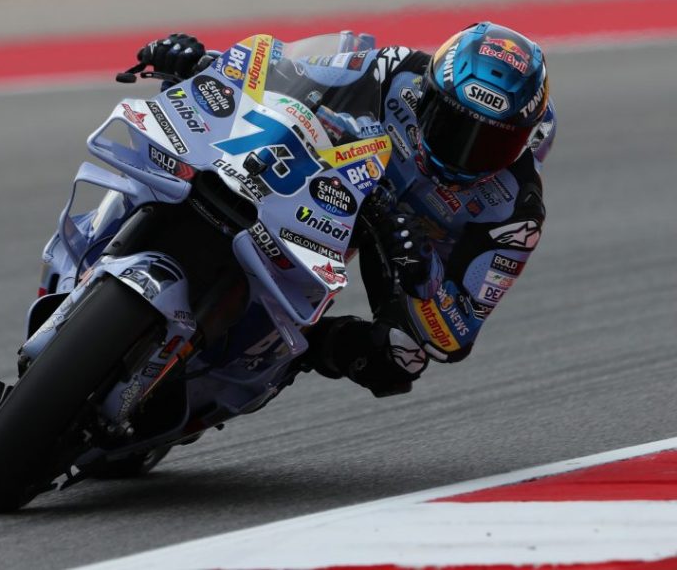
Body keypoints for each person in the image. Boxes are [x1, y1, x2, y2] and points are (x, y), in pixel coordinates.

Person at [136, 23, 556, 397]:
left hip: (393, 242)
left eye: (492, 143)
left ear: (524, 140)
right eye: (455, 125)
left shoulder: (516, 212)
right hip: (316, 172)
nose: (466, 153)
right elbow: (290, 71)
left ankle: (292, 350)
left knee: (399, 358)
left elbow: (455, 336)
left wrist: (420, 264)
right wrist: (208, 63)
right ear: (428, 94)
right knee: (177, 150)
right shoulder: (394, 71)